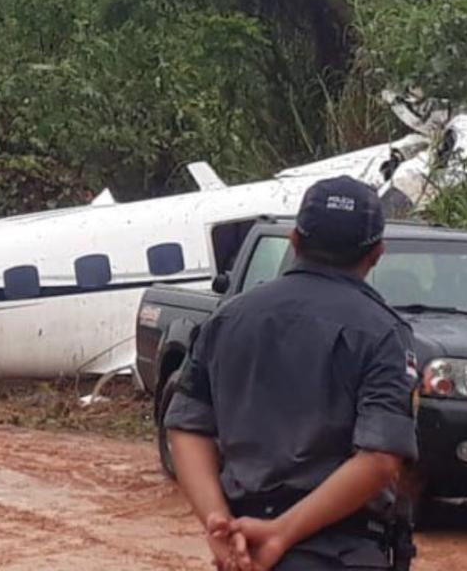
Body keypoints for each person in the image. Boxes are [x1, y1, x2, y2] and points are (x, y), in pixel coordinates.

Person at [165, 176, 418, 571]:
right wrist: (281, 532)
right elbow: (380, 459)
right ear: (377, 253)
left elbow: (186, 426)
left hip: (244, 552)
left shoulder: (229, 318)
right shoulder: (383, 333)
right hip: (340, 552)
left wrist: (220, 525)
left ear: (294, 240)